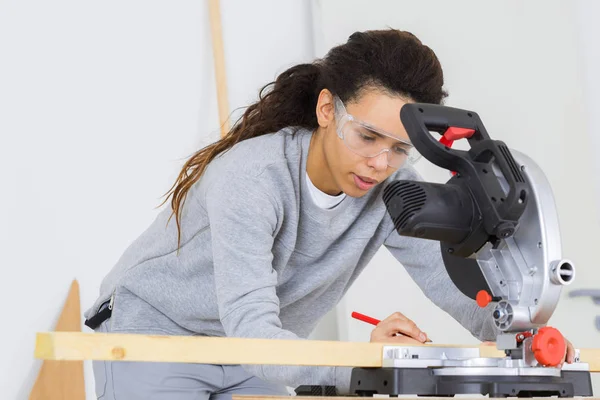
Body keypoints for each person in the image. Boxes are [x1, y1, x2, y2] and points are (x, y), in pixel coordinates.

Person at [84, 28, 575, 400]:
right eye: (367, 137)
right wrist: (372, 365)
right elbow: (250, 329)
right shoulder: (254, 178)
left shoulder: (394, 190)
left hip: (263, 352)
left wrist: (525, 335)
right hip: (158, 333)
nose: (380, 163)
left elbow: (456, 289)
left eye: (400, 148)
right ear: (326, 110)